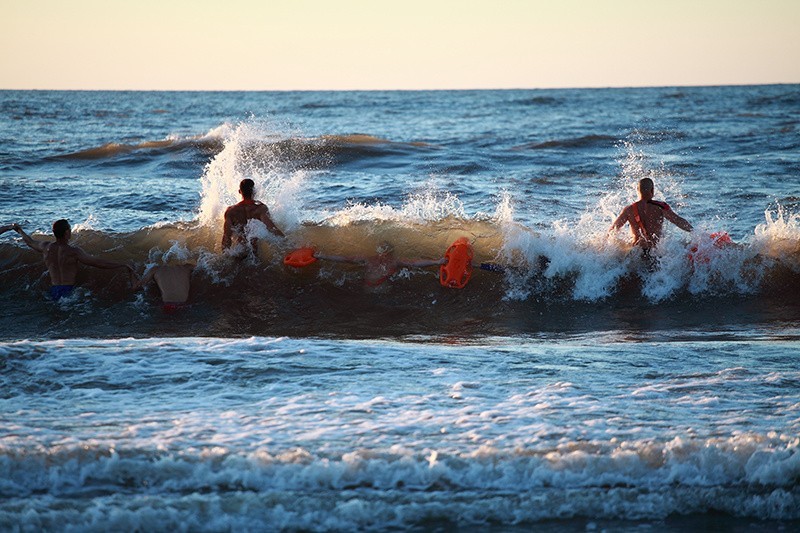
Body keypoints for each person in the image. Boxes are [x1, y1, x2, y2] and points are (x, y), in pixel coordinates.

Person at [13, 220, 135, 301]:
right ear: (66, 233)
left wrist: (19, 230)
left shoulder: (46, 247)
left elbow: (29, 242)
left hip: (53, 291)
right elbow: (97, 263)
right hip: (69, 293)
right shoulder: (73, 251)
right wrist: (122, 264)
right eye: (69, 230)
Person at [609, 178, 693, 256]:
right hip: (654, 252)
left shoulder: (629, 209)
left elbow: (613, 230)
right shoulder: (661, 207)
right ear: (652, 190)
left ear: (638, 191)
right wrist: (694, 232)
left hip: (636, 252)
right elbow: (678, 221)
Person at [315, 241, 444, 287]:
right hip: (368, 286)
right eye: (382, 250)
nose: (383, 254)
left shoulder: (394, 261)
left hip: (383, 286)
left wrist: (437, 261)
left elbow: (415, 263)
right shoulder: (368, 258)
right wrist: (321, 256)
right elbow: (344, 258)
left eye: (385, 251)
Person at [221, 178, 285, 252]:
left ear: (239, 191)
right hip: (253, 253)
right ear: (254, 191)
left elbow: (226, 237)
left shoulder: (231, 211)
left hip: (239, 250)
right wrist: (289, 244)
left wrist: (225, 257)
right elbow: (272, 228)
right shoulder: (260, 209)